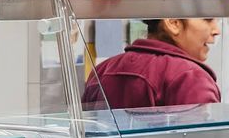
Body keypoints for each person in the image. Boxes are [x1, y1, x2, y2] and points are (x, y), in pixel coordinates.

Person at [83, 13, 221, 111]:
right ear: (173, 23)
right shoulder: (191, 78)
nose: (217, 30)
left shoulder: (102, 70)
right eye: (207, 18)